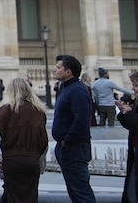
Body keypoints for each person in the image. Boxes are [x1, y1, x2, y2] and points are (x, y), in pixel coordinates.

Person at [0, 77, 48, 203]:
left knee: (12, 197)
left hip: (12, 161)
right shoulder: (39, 112)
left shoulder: (8, 109)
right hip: (32, 161)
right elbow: (43, 141)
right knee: (31, 197)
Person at [51, 53, 96, 203]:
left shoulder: (77, 90)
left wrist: (67, 141)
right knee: (75, 191)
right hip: (67, 147)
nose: (55, 70)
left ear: (68, 72)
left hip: (74, 148)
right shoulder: (66, 88)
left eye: (58, 67)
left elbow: (81, 120)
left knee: (81, 192)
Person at [116, 70, 138, 203]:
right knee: (133, 193)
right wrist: (124, 112)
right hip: (137, 156)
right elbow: (132, 127)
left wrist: (129, 113)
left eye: (136, 85)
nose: (133, 89)